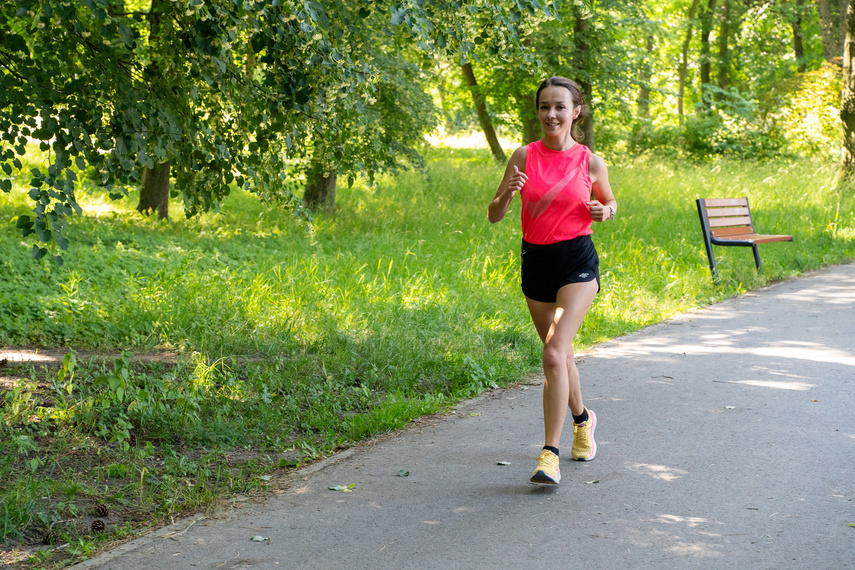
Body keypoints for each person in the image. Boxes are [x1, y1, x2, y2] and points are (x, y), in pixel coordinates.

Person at [487, 76, 617, 486]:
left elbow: (610, 201)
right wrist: (507, 193)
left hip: (577, 260)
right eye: (544, 107)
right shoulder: (524, 156)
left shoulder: (590, 161)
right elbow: (493, 214)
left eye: (560, 107)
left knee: (553, 354)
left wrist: (605, 211)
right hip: (536, 261)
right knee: (559, 356)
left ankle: (549, 454)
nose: (551, 114)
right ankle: (583, 420)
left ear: (575, 111)